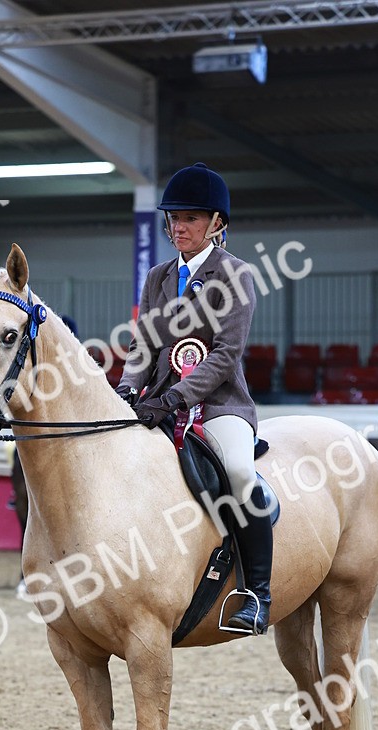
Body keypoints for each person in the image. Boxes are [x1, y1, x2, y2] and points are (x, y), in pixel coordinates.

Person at [115, 162, 271, 635]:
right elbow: (144, 344)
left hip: (220, 404)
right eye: (173, 218)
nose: (178, 227)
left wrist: (177, 398)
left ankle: (257, 593)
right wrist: (128, 387)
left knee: (239, 472)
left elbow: (226, 354)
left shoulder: (236, 274)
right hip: (158, 402)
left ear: (216, 222)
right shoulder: (158, 276)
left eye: (190, 219)